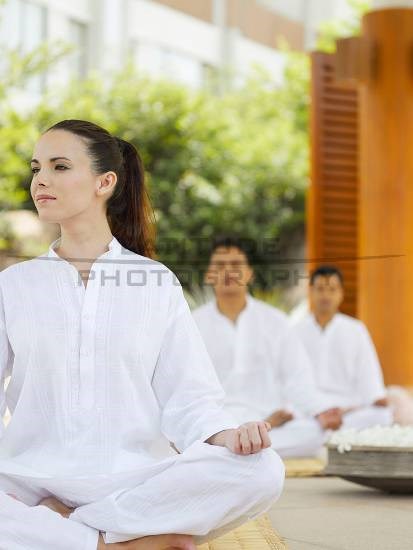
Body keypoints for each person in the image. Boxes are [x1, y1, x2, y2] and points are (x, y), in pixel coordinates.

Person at [0, 120, 285, 550]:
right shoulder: (14, 285)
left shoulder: (155, 282)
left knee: (263, 469)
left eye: (59, 167)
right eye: (36, 168)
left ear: (105, 182)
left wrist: (229, 435)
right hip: (33, 482)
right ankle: (116, 543)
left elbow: (191, 399)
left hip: (132, 484)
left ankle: (71, 530)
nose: (41, 180)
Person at [192, 236, 341, 459]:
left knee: (313, 433)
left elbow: (297, 378)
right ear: (209, 274)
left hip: (269, 422)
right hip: (217, 425)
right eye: (220, 265)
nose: (228, 272)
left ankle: (231, 453)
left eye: (235, 265)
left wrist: (319, 410)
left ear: (249, 273)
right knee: (179, 435)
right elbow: (188, 386)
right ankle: (240, 448)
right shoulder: (193, 323)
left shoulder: (276, 321)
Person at [292, 265, 412, 430]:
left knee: (382, 416)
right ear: (311, 292)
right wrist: (316, 411)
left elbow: (368, 372)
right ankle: (324, 433)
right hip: (310, 411)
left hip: (347, 410)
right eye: (320, 289)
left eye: (332, 289)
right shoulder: (295, 331)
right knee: (291, 418)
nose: (326, 295)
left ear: (341, 293)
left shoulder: (356, 329)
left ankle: (322, 436)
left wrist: (377, 398)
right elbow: (290, 379)